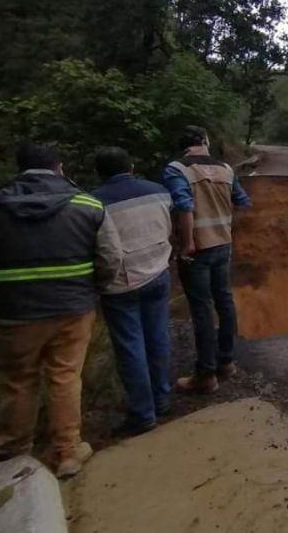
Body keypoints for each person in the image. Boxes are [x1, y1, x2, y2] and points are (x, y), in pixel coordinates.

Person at [0, 142, 122, 477]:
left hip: (13, 312)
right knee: (66, 376)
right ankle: (68, 451)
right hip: (73, 307)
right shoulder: (87, 204)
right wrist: (93, 289)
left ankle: (14, 452)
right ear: (59, 167)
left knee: (18, 381)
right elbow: (110, 257)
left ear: (19, 167)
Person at [162, 126, 251, 393]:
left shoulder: (177, 169)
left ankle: (206, 374)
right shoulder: (226, 168)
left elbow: (184, 205)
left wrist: (187, 243)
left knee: (201, 308)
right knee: (224, 301)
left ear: (184, 146)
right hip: (223, 244)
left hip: (197, 249)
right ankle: (227, 362)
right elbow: (243, 202)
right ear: (205, 142)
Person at [91, 147, 174, 436]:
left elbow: (98, 248)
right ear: (132, 165)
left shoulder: (93, 203)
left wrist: (99, 281)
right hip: (158, 272)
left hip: (120, 284)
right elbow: (171, 224)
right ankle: (163, 398)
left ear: (99, 172)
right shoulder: (159, 191)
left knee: (131, 347)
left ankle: (143, 412)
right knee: (158, 336)